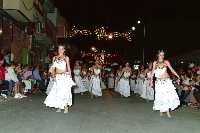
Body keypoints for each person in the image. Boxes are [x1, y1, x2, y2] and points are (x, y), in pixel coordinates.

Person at [44, 45, 75, 113]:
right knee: (57, 92)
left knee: (65, 92)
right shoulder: (54, 58)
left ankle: (66, 107)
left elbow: (69, 68)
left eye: (61, 49)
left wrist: (70, 77)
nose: (60, 50)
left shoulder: (66, 58)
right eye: (59, 49)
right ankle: (59, 106)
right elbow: (53, 68)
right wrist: (53, 75)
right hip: (57, 77)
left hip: (64, 76)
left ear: (64, 50)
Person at [151, 50, 180, 118]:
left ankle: (167, 112)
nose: (162, 56)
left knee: (167, 96)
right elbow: (152, 72)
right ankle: (161, 110)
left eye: (163, 55)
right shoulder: (155, 63)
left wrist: (178, 76)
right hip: (159, 83)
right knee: (160, 96)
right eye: (161, 54)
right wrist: (151, 81)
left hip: (166, 82)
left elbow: (172, 70)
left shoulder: (166, 62)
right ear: (158, 55)